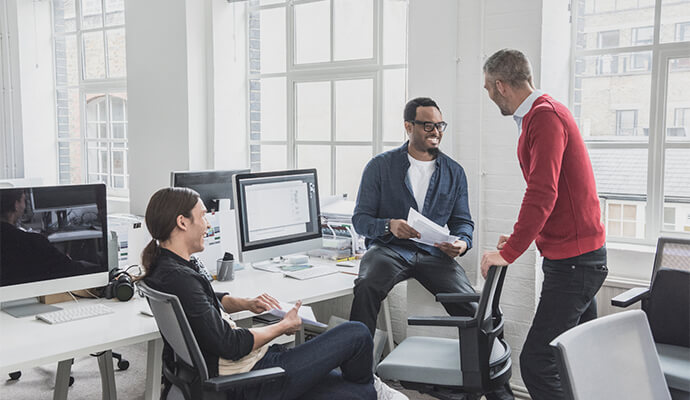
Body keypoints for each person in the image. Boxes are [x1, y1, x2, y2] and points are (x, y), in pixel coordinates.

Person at [141, 187, 407, 400]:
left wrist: (245, 302)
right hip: (247, 380)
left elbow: (206, 300)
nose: (208, 223)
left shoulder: (166, 267)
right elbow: (230, 343)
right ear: (182, 222)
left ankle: (367, 387)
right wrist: (283, 326)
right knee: (357, 333)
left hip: (244, 366)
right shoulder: (181, 278)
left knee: (356, 392)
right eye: (202, 216)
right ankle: (370, 384)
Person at [349, 97, 514, 400]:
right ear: (408, 126)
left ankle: (496, 391)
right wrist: (389, 225)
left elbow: (464, 222)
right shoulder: (380, 167)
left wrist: (461, 244)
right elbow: (360, 219)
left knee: (478, 312)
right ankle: (357, 378)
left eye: (439, 125)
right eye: (428, 125)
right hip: (390, 248)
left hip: (434, 253)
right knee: (367, 285)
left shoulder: (454, 172)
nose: (435, 131)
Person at [480, 49, 607, 400]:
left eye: (489, 88)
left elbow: (542, 192)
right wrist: (523, 236)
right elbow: (558, 193)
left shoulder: (544, 117)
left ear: (501, 85)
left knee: (537, 362)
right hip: (577, 258)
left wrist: (510, 251)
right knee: (575, 358)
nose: (490, 96)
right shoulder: (541, 114)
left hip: (575, 264)